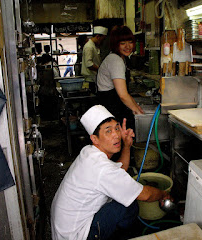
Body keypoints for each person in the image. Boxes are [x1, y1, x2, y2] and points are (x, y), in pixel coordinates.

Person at [51, 105, 171, 240]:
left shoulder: (89, 152)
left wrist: (126, 146)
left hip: (65, 230)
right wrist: (164, 194)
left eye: (117, 128)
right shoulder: (101, 168)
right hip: (77, 235)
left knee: (122, 196)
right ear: (94, 139)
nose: (116, 135)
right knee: (127, 206)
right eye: (108, 131)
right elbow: (146, 195)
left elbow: (119, 171)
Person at [97, 25, 144, 130]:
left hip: (112, 105)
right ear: (115, 44)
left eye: (130, 42)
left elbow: (125, 92)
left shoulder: (120, 58)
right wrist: (138, 112)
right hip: (111, 107)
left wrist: (136, 106)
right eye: (123, 43)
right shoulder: (115, 60)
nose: (128, 46)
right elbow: (123, 95)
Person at [81, 26, 108, 93]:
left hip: (94, 78)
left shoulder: (93, 46)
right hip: (90, 80)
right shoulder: (89, 47)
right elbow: (89, 64)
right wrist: (101, 70)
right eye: (102, 39)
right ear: (98, 37)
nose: (103, 41)